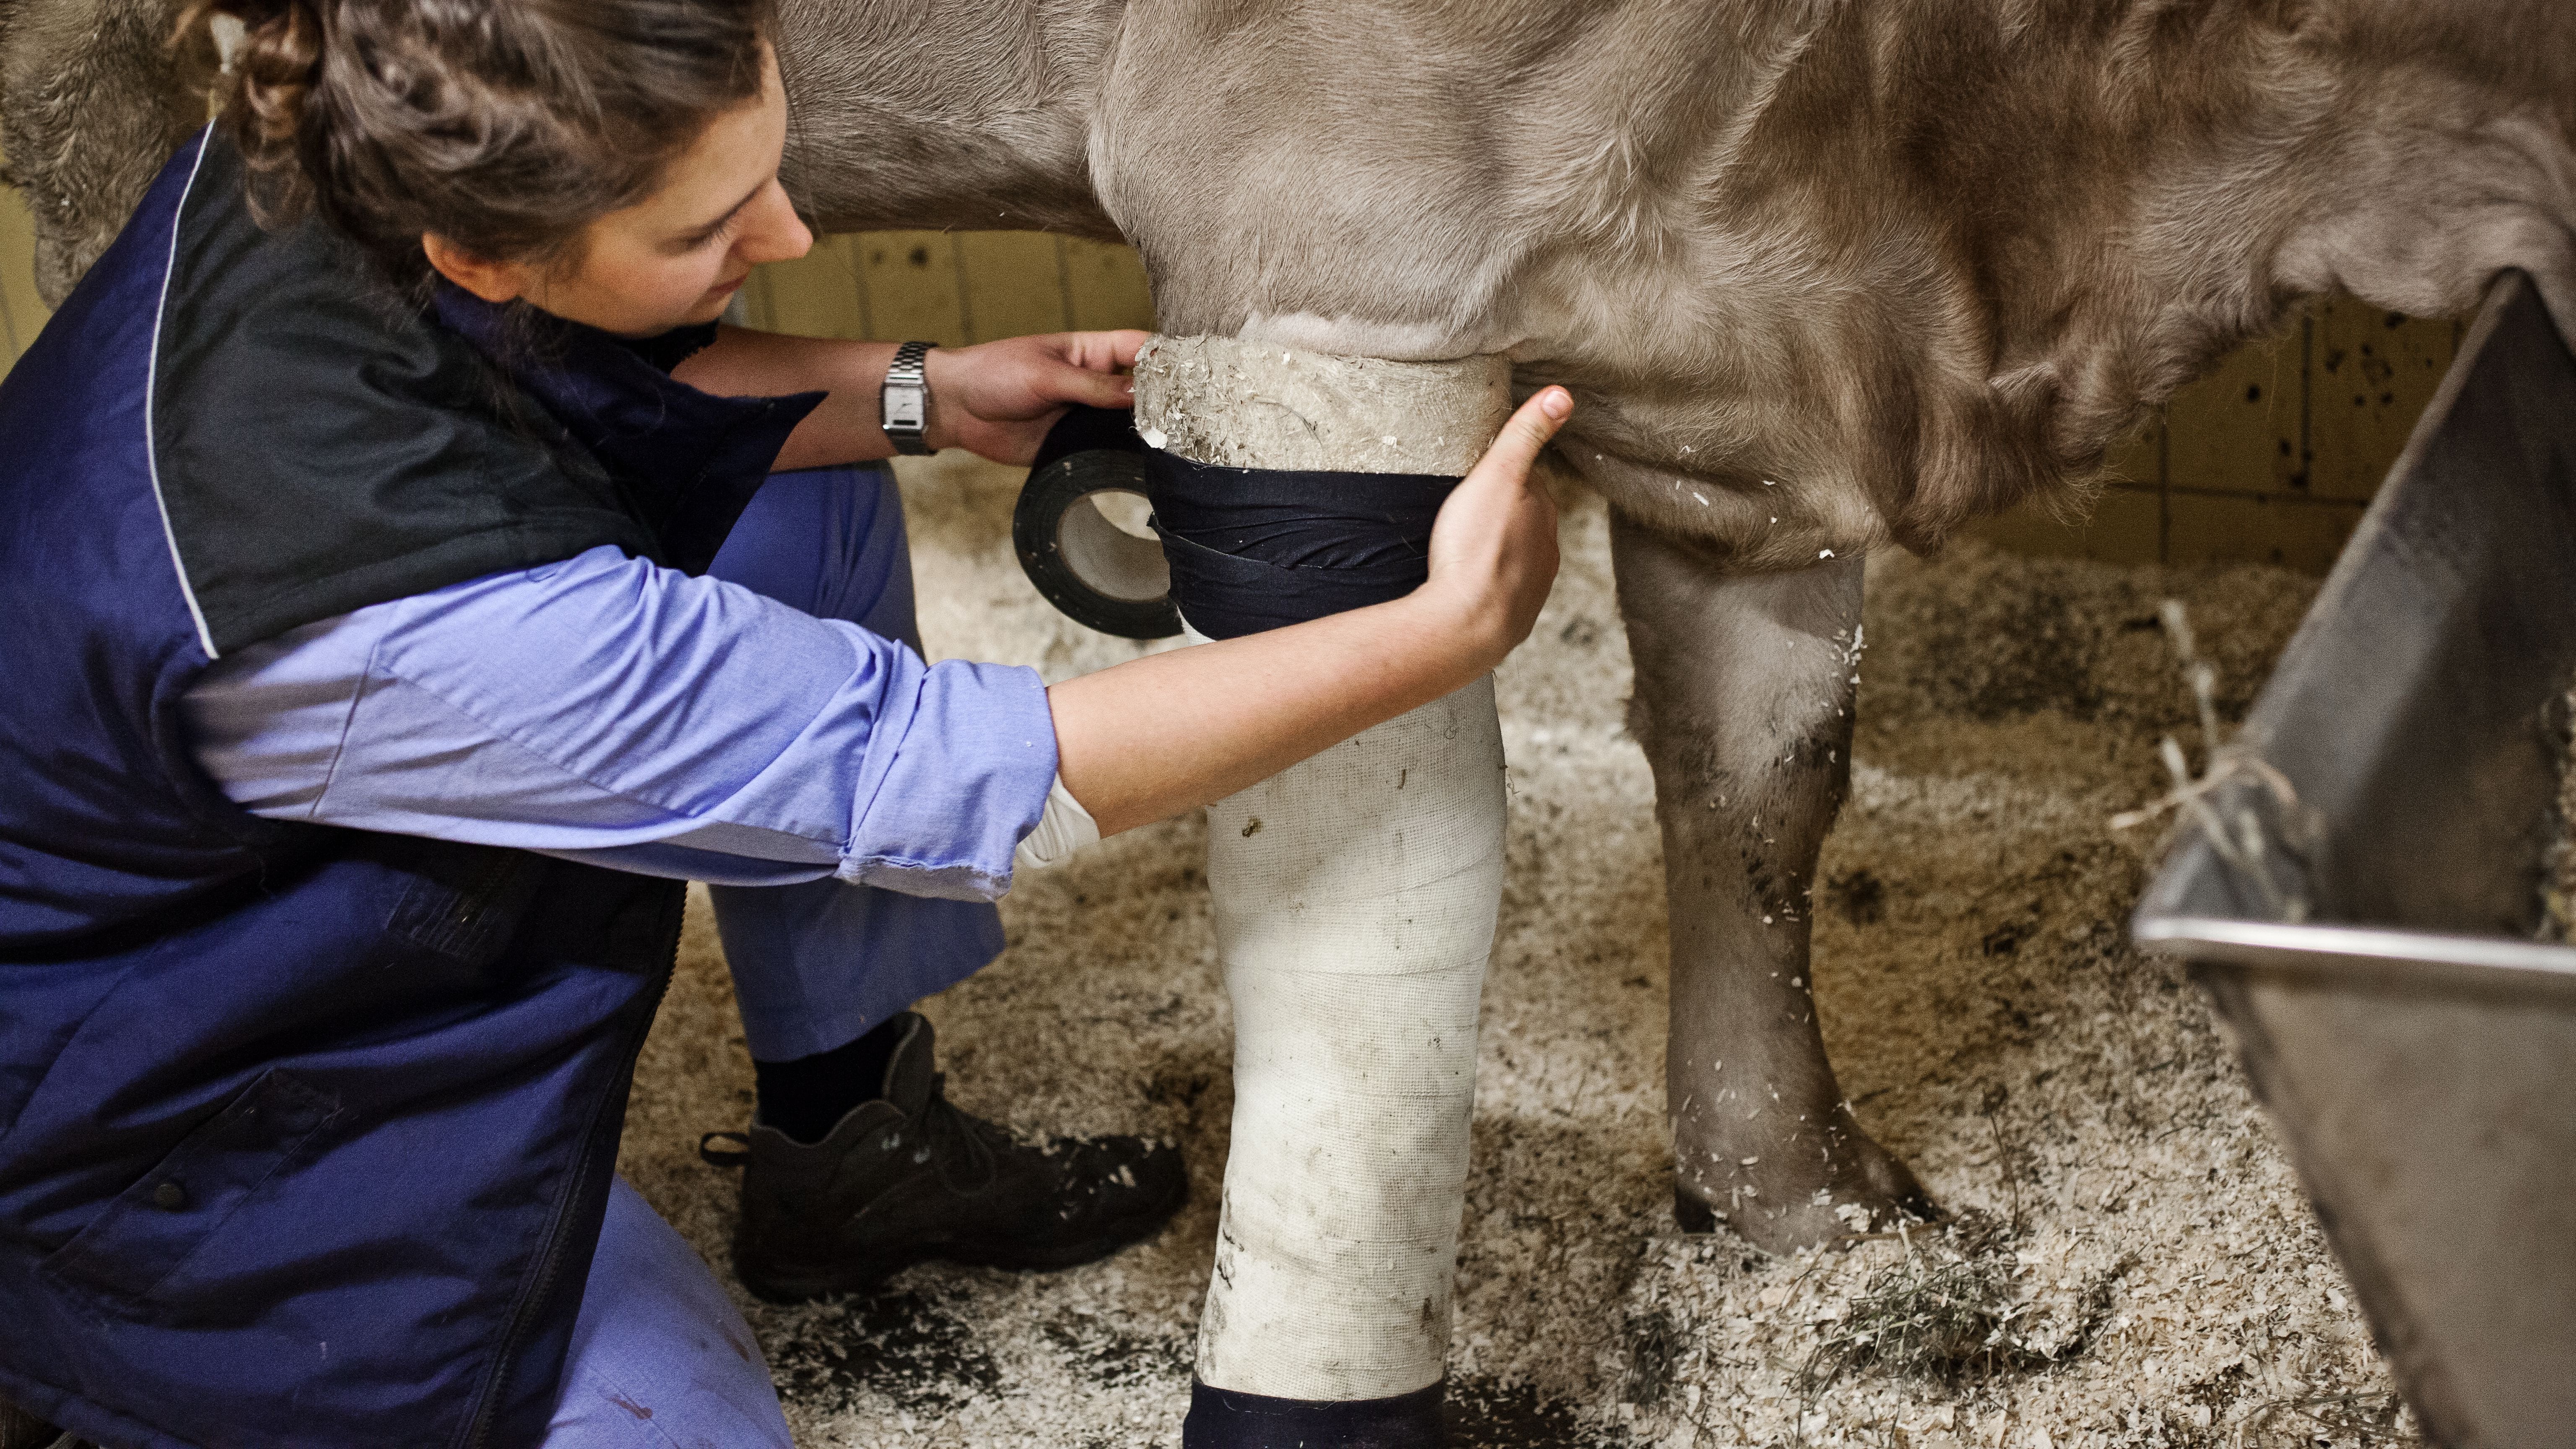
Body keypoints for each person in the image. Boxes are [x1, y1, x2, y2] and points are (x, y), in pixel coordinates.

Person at [0, 0, 1568, 1446]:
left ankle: (848, 1144)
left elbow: (582, 380)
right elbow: (958, 771)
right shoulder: (402, 613)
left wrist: (930, 389)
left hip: (237, 917)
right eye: (709, 226)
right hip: (158, 1147)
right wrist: (1432, 635)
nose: (796, 232)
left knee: (793, 511)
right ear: (482, 250)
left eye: (772, 168)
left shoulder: (332, 122)